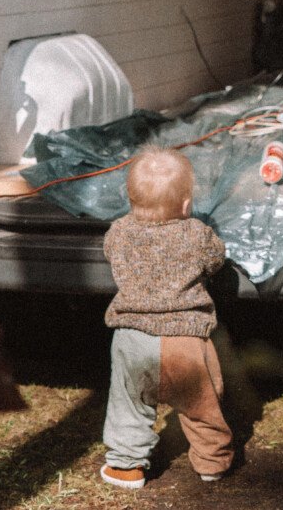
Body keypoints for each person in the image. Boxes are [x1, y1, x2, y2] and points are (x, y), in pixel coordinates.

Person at [99, 146, 234, 489]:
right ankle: (212, 461)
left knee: (127, 404)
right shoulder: (197, 234)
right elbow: (216, 259)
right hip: (184, 339)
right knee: (203, 402)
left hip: (131, 337)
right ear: (187, 205)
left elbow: (109, 252)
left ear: (130, 200)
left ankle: (125, 466)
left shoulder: (118, 232)